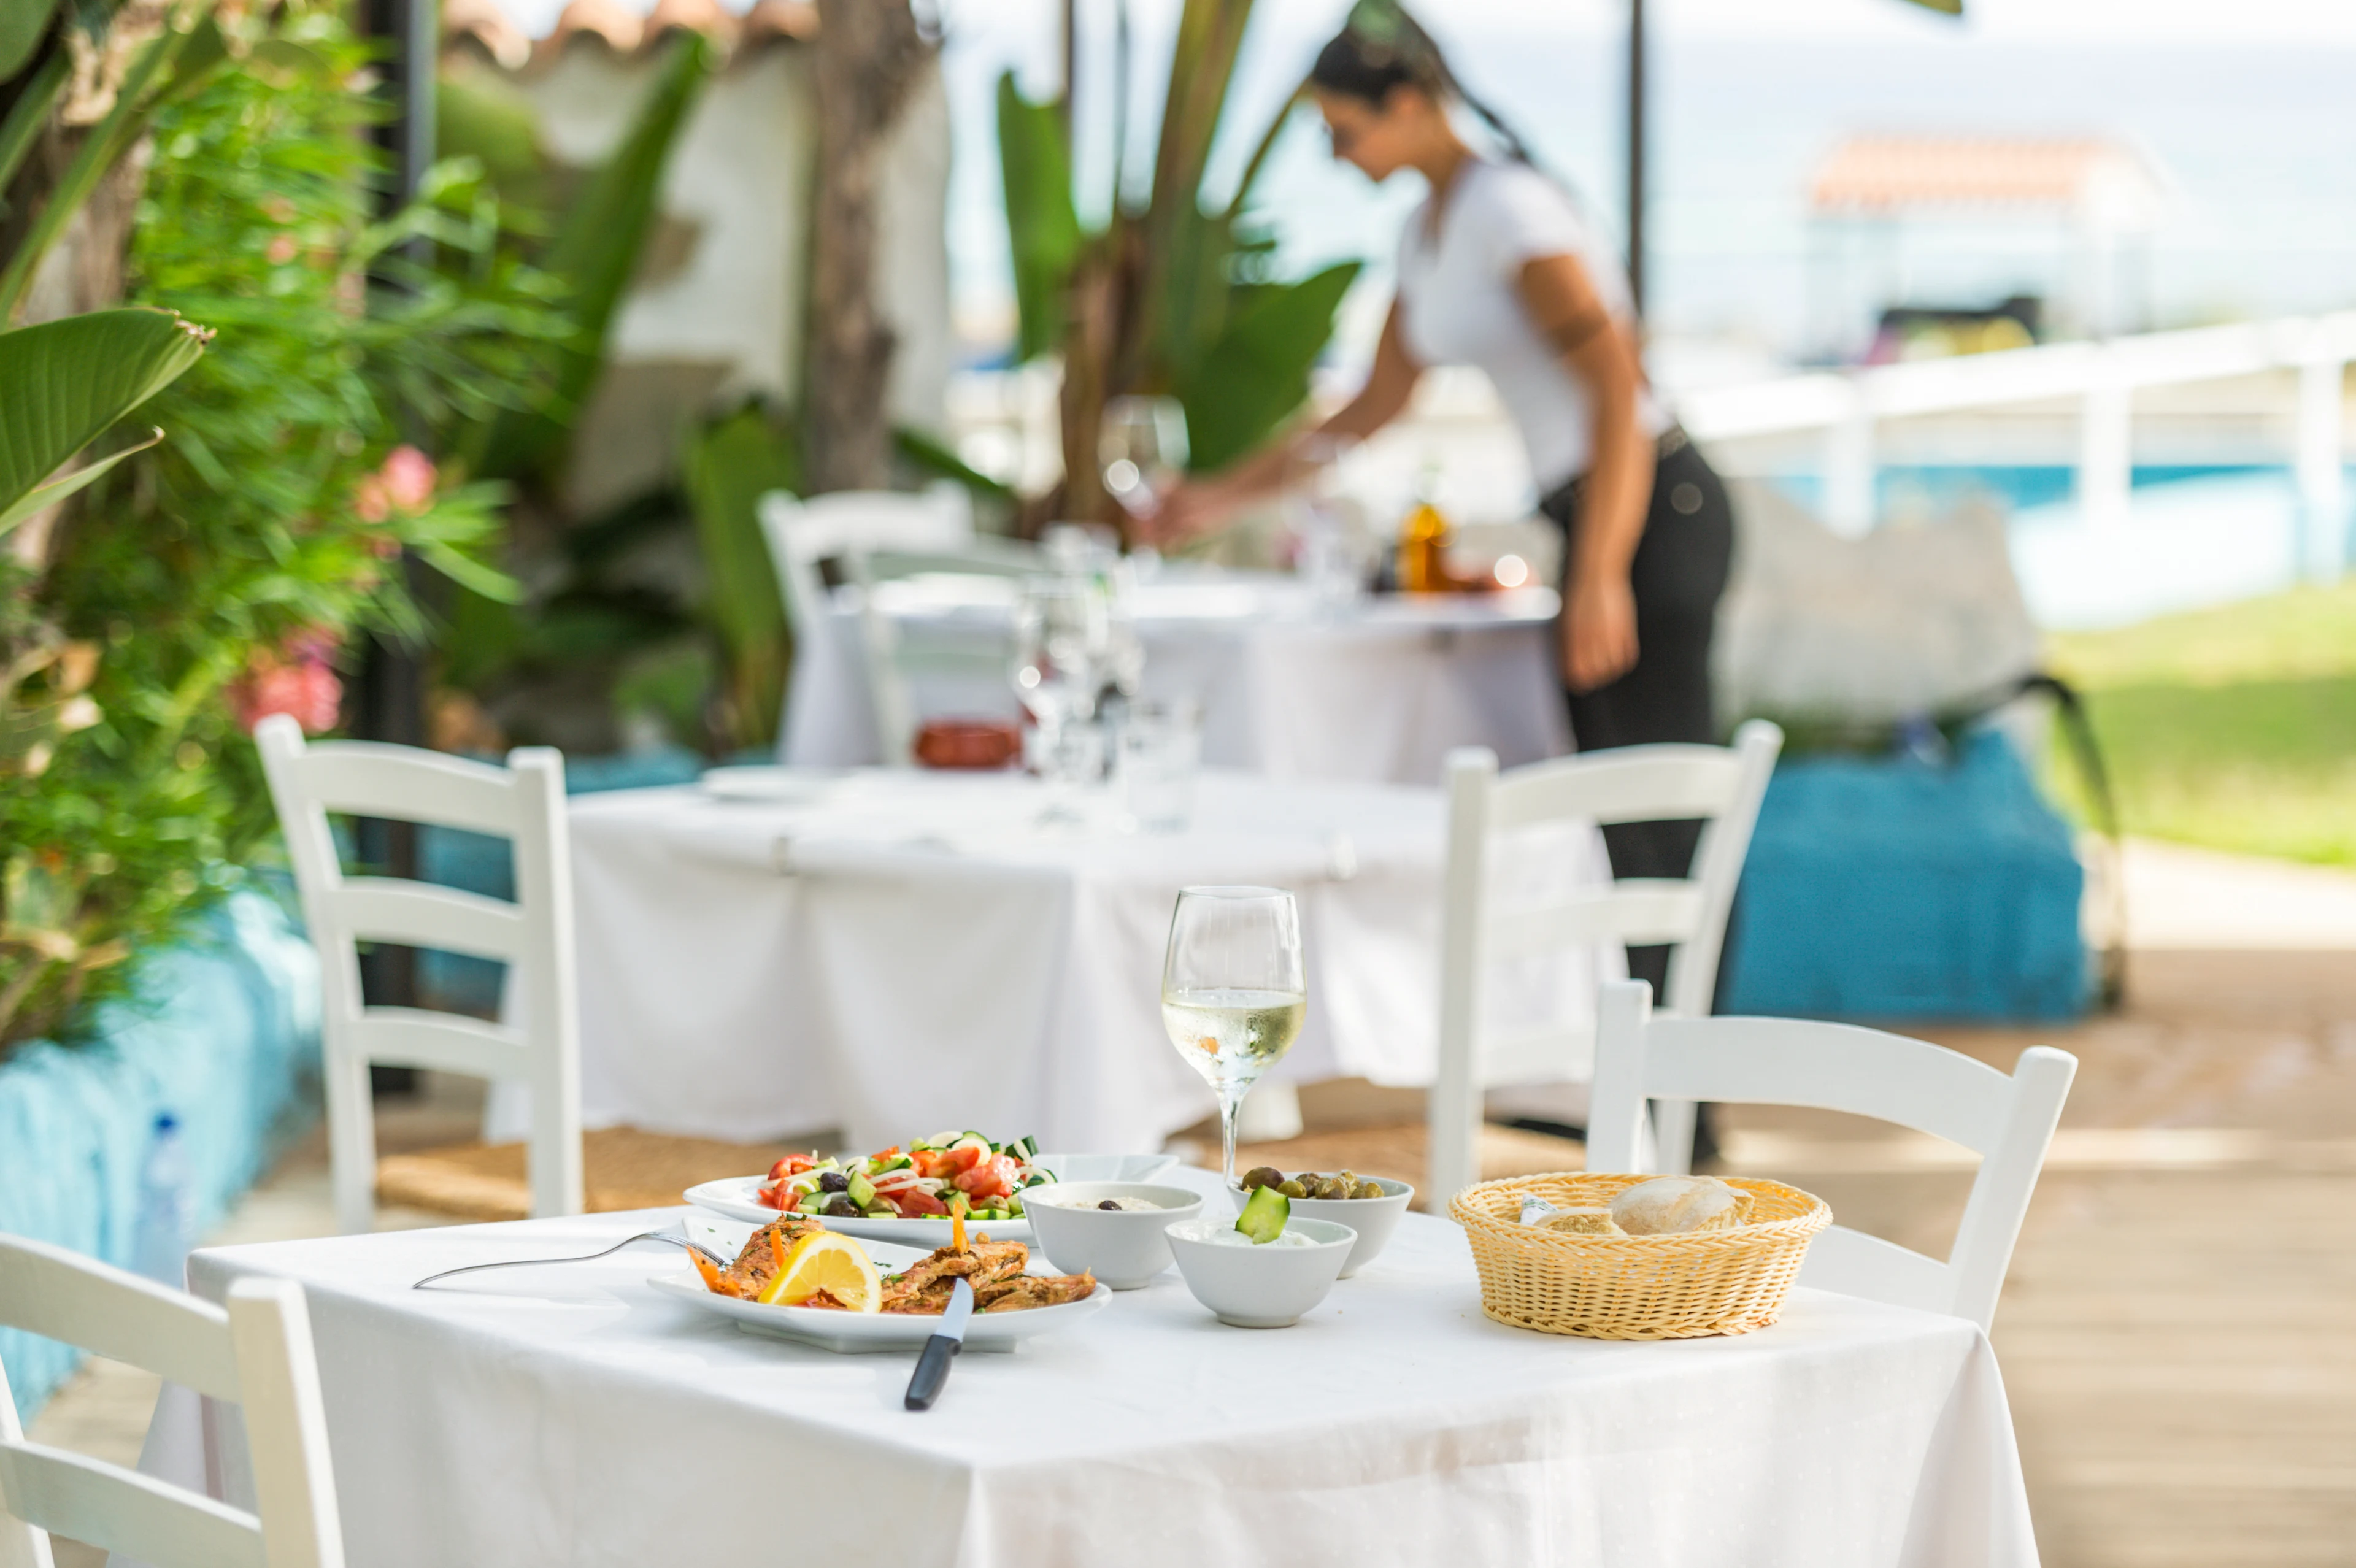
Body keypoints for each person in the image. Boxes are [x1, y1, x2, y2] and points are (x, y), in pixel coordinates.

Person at [1149, 0, 1737, 1012]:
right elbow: (1368, 410)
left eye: (1346, 132)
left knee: (1655, 823)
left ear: (1411, 104)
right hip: (1596, 517)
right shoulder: (1432, 235)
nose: (1339, 157)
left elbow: (1617, 388)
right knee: (1607, 827)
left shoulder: (1510, 212)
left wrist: (1601, 572)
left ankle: (1687, 1112)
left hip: (1654, 514)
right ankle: (1631, 1089)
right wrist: (1208, 502)